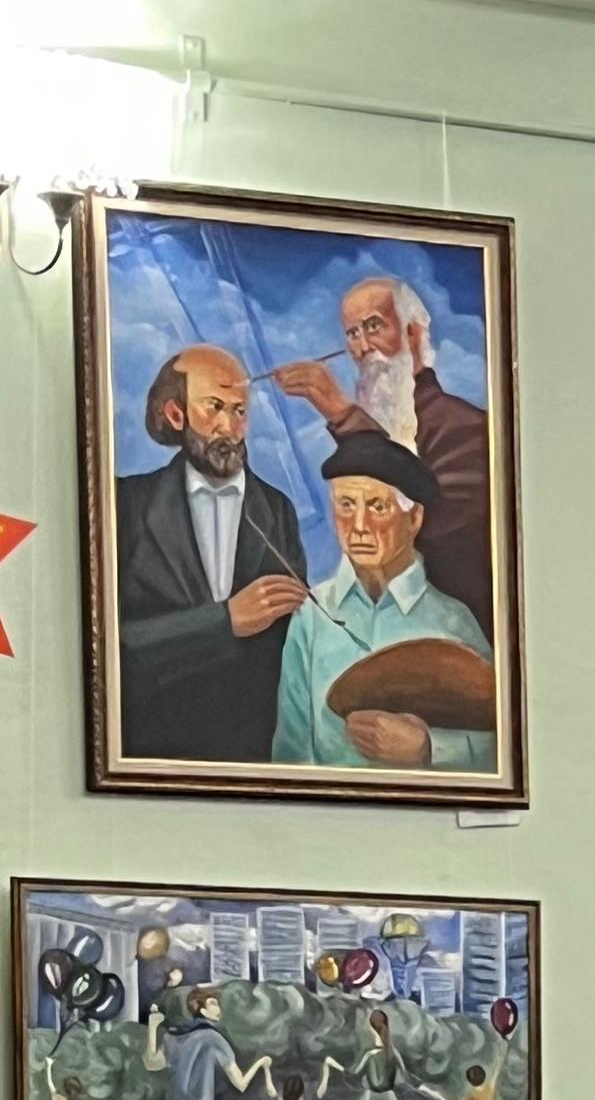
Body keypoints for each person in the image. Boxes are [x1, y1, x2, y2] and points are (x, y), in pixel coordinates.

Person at [112, 346, 311, 764]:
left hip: (254, 754)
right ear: (176, 414)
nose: (230, 427)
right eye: (214, 407)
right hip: (147, 750)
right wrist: (224, 622)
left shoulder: (277, 511)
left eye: (240, 410)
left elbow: (292, 644)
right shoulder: (126, 504)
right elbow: (112, 642)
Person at [271, 270, 496, 632]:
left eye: (373, 326)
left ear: (413, 332)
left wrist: (345, 418)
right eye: (352, 334)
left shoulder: (463, 426)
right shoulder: (376, 430)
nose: (362, 349)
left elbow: (426, 526)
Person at [272, 440, 497, 773]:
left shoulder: (453, 621)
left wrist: (429, 748)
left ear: (414, 518)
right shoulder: (310, 616)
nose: (359, 526)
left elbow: (501, 750)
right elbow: (291, 752)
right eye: (346, 505)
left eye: (378, 506)